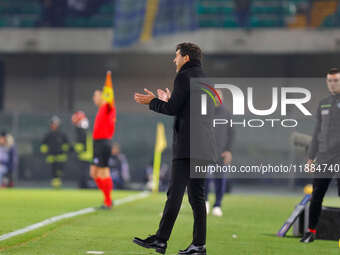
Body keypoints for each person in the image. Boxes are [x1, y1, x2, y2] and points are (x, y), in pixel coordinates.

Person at [133, 42, 216, 255]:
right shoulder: (206, 79)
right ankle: (199, 245)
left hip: (187, 145)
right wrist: (170, 100)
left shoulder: (184, 76)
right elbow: (193, 110)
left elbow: (172, 109)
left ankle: (160, 240)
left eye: (176, 55)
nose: (174, 59)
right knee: (197, 198)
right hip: (204, 146)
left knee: (175, 194)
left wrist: (152, 102)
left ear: (186, 57)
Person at [300, 67, 340, 243]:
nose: (332, 84)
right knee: (317, 195)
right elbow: (316, 133)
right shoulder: (323, 103)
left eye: (336, 80)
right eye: (330, 80)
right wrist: (310, 157)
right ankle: (310, 232)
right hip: (323, 157)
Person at [205, 89, 234, 217]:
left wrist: (228, 150)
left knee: (220, 179)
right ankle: (204, 202)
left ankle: (217, 205)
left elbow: (231, 133)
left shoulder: (226, 112)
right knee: (203, 178)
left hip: (221, 153)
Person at [90, 71, 116, 209]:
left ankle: (108, 201)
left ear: (102, 96)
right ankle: (107, 199)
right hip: (97, 143)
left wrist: (108, 78)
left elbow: (110, 96)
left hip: (103, 143)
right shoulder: (101, 109)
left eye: (95, 95)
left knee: (103, 172)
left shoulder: (107, 107)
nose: (94, 98)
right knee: (94, 173)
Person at [40, 116, 70, 188]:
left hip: (61, 157)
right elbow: (43, 145)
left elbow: (67, 144)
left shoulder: (62, 134)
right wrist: (46, 152)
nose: (54, 125)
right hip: (52, 156)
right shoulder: (48, 135)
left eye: (56, 124)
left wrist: (64, 151)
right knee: (53, 170)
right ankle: (55, 184)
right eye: (53, 124)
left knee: (59, 171)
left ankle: (58, 183)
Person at [71, 111, 93, 189]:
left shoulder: (81, 129)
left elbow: (81, 143)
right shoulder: (85, 128)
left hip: (84, 154)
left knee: (83, 171)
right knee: (84, 171)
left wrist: (75, 148)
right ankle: (84, 185)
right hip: (87, 154)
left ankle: (83, 185)